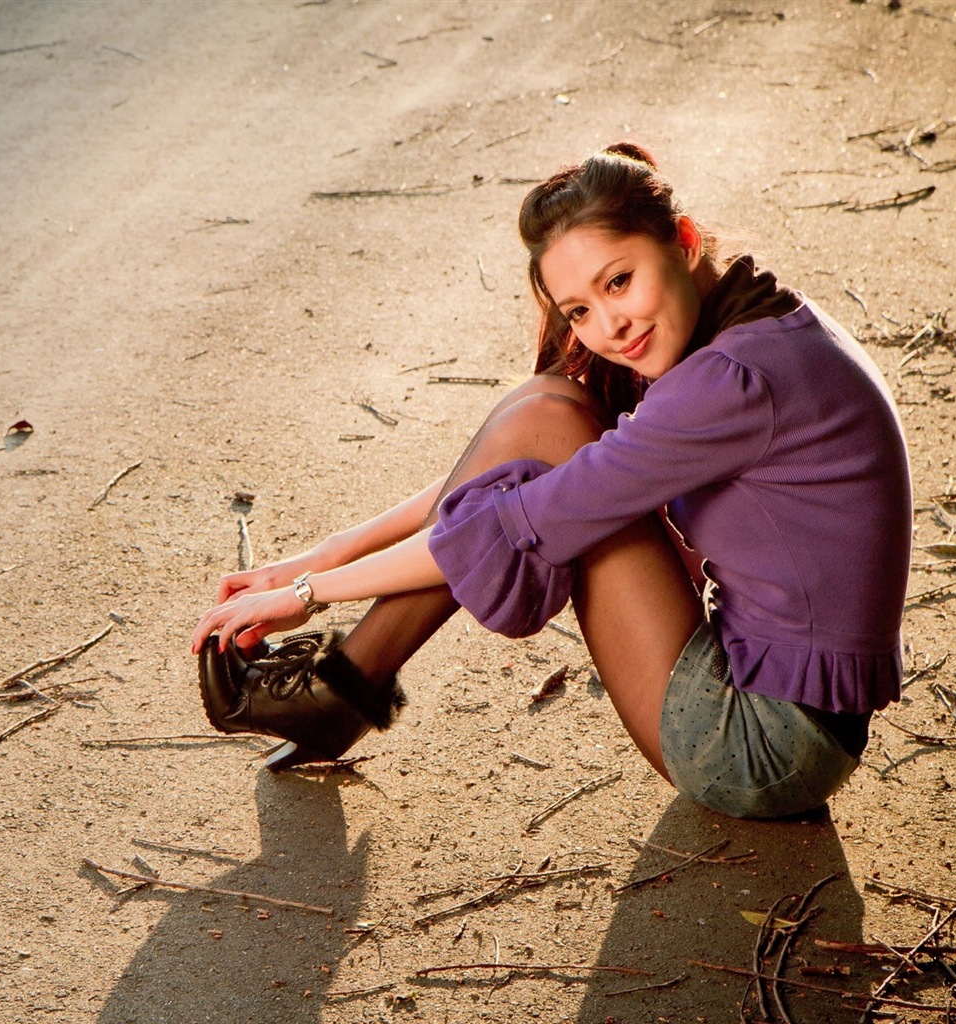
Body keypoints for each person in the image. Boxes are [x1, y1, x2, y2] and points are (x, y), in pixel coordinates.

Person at [190, 142, 911, 820]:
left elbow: (522, 517)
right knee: (554, 410)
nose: (611, 327)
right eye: (579, 311)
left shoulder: (734, 382)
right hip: (797, 717)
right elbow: (537, 471)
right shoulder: (756, 323)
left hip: (763, 746)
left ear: (683, 240)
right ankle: (342, 686)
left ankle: (341, 685)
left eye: (619, 281)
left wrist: (309, 593)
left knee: (550, 434)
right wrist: (331, 553)